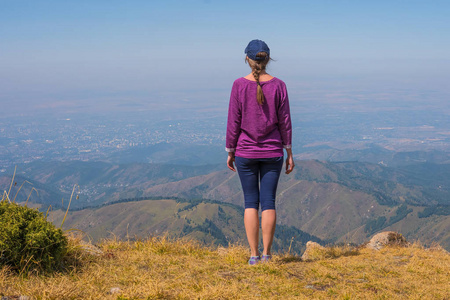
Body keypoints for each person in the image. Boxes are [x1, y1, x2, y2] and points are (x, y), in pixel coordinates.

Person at [226, 39, 294, 265]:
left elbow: (233, 121)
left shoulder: (238, 85)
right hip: (273, 151)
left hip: (245, 152)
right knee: (269, 202)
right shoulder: (279, 85)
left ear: (248, 59)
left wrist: (230, 150)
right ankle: (267, 254)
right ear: (267, 59)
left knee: (250, 203)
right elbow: (285, 122)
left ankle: (253, 256)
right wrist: (289, 151)